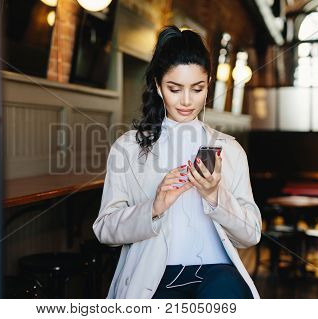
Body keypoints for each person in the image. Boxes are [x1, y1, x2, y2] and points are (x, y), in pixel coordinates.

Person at [92, 25, 261, 299]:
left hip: (217, 272)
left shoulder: (230, 150)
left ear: (208, 87)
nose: (186, 101)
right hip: (153, 273)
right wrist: (154, 207)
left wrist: (214, 195)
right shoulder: (127, 148)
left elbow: (251, 235)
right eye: (174, 88)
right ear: (159, 86)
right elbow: (105, 229)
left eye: (197, 89)